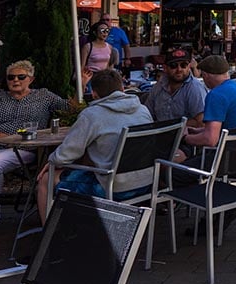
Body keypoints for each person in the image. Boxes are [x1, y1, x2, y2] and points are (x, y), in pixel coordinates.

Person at [37, 69, 153, 222]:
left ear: (94, 94)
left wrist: (51, 161)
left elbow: (65, 155)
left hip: (115, 188)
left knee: (46, 178)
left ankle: (49, 235)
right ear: (122, 89)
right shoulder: (142, 110)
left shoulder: (92, 115)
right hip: (147, 183)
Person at [0, 60, 70, 217]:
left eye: (21, 76)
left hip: (24, 147)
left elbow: (69, 107)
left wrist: (82, 86)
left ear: (31, 79)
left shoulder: (43, 96)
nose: (15, 80)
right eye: (11, 77)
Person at [183, 55, 236, 149]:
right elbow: (228, 126)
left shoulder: (217, 95)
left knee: (176, 161)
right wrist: (197, 131)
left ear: (205, 75)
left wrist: (185, 138)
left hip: (234, 156)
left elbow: (210, 139)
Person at [144, 47, 207, 127]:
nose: (179, 69)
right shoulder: (158, 87)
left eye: (183, 65)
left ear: (189, 66)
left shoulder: (195, 88)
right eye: (173, 65)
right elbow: (147, 114)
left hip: (186, 137)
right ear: (165, 68)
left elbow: (201, 122)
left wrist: (170, 127)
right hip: (159, 136)